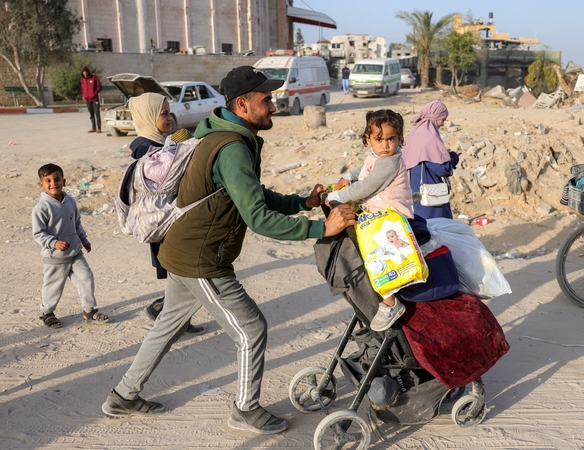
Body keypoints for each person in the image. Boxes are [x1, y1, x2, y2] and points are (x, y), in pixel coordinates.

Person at [101, 66, 356, 435]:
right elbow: (258, 218)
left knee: (166, 326)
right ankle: (245, 409)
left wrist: (301, 201)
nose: (272, 105)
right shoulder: (232, 147)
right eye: (265, 100)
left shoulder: (229, 135)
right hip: (201, 260)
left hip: (182, 250)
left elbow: (252, 193)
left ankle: (123, 395)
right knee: (252, 329)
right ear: (243, 104)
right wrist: (322, 227)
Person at [326, 109, 413, 332]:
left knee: (380, 258)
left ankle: (391, 303)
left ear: (400, 139)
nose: (385, 145)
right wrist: (348, 176)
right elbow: (365, 168)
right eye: (379, 139)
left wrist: (337, 196)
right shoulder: (379, 157)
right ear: (368, 140)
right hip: (379, 216)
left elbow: (367, 185)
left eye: (391, 139)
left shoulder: (390, 162)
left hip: (390, 219)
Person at [127, 92, 204, 335]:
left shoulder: (161, 142)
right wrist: (184, 148)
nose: (170, 118)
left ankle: (175, 318)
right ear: (149, 116)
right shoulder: (144, 147)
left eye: (170, 112)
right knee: (180, 272)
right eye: (164, 114)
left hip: (172, 218)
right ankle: (162, 311)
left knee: (179, 275)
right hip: (162, 221)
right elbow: (165, 175)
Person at [32, 164, 109, 328]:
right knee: (53, 286)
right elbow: (38, 234)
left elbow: (77, 224)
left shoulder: (70, 202)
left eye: (57, 179)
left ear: (64, 181)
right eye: (48, 180)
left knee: (86, 278)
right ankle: (47, 313)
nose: (54, 183)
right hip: (55, 258)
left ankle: (89, 312)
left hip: (75, 253)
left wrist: (84, 239)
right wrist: (54, 243)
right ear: (41, 185)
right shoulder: (41, 208)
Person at [402, 100, 459, 219]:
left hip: (414, 188)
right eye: (442, 120)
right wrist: (452, 159)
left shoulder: (417, 132)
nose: (442, 124)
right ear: (435, 117)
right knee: (435, 229)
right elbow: (440, 168)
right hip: (429, 194)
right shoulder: (429, 137)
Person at [80, 66, 103, 133]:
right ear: (82, 73)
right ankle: (93, 127)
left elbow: (100, 87)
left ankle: (99, 128)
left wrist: (95, 93)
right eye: (84, 72)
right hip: (87, 99)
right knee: (91, 114)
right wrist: (84, 95)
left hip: (95, 99)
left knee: (97, 113)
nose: (85, 73)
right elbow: (82, 89)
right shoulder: (82, 80)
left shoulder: (94, 78)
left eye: (86, 71)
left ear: (88, 71)